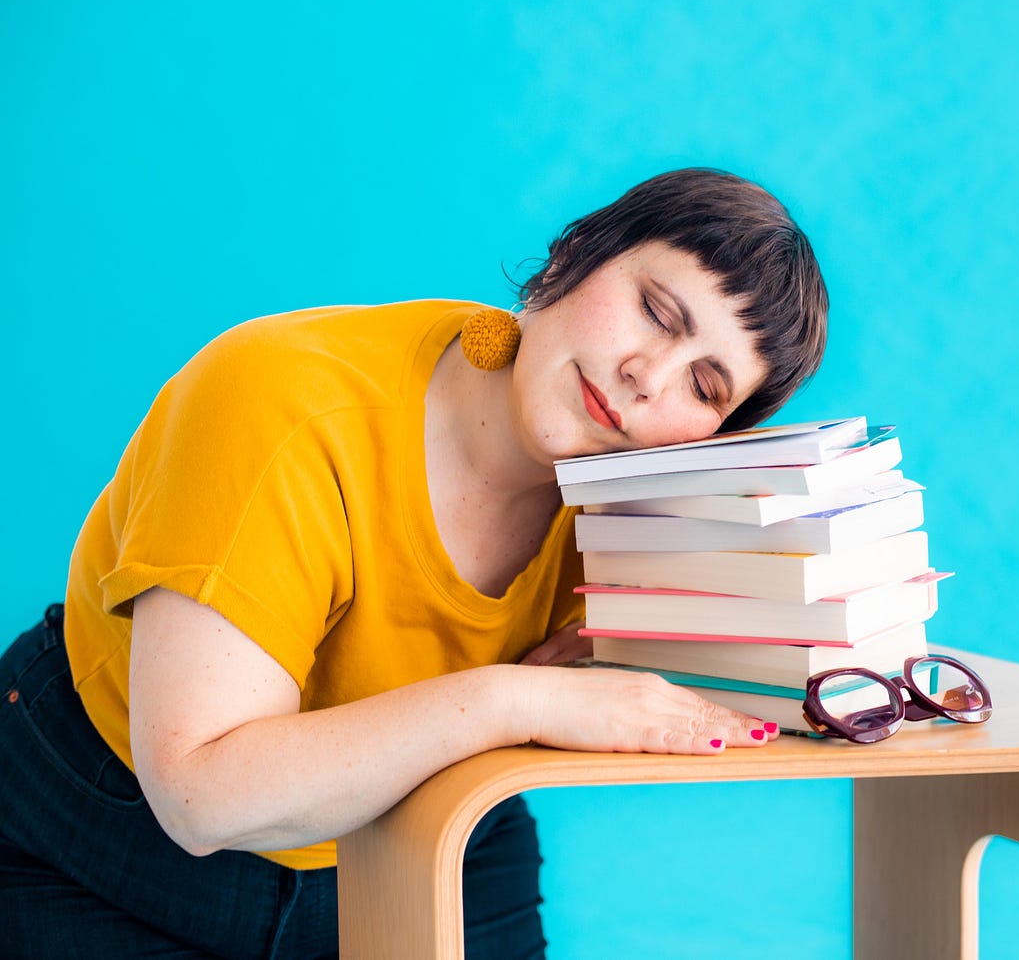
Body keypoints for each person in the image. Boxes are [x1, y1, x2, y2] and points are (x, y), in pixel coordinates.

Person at [0, 168, 829, 959]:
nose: (647, 377)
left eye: (706, 387)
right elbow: (201, 793)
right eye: (654, 310)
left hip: (415, 820)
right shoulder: (279, 401)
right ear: (577, 254)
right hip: (102, 829)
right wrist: (523, 696)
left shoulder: (636, 512)